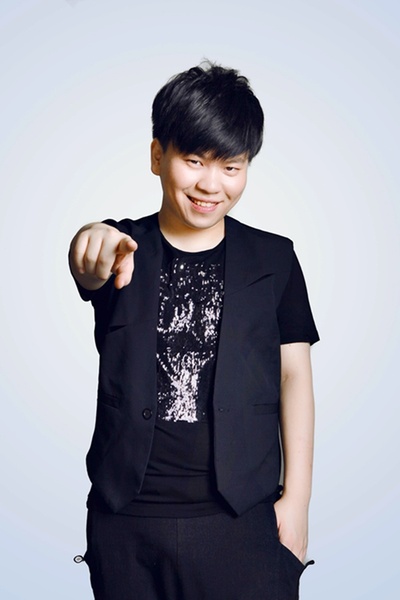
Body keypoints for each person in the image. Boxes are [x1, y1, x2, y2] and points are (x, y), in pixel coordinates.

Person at [69, 61, 319, 600]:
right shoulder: (122, 250)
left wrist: (297, 502)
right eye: (194, 160)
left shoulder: (275, 259)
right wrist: (90, 236)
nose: (211, 184)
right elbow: (89, 259)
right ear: (157, 156)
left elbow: (294, 376)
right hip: (127, 521)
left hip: (242, 520)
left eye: (231, 166)